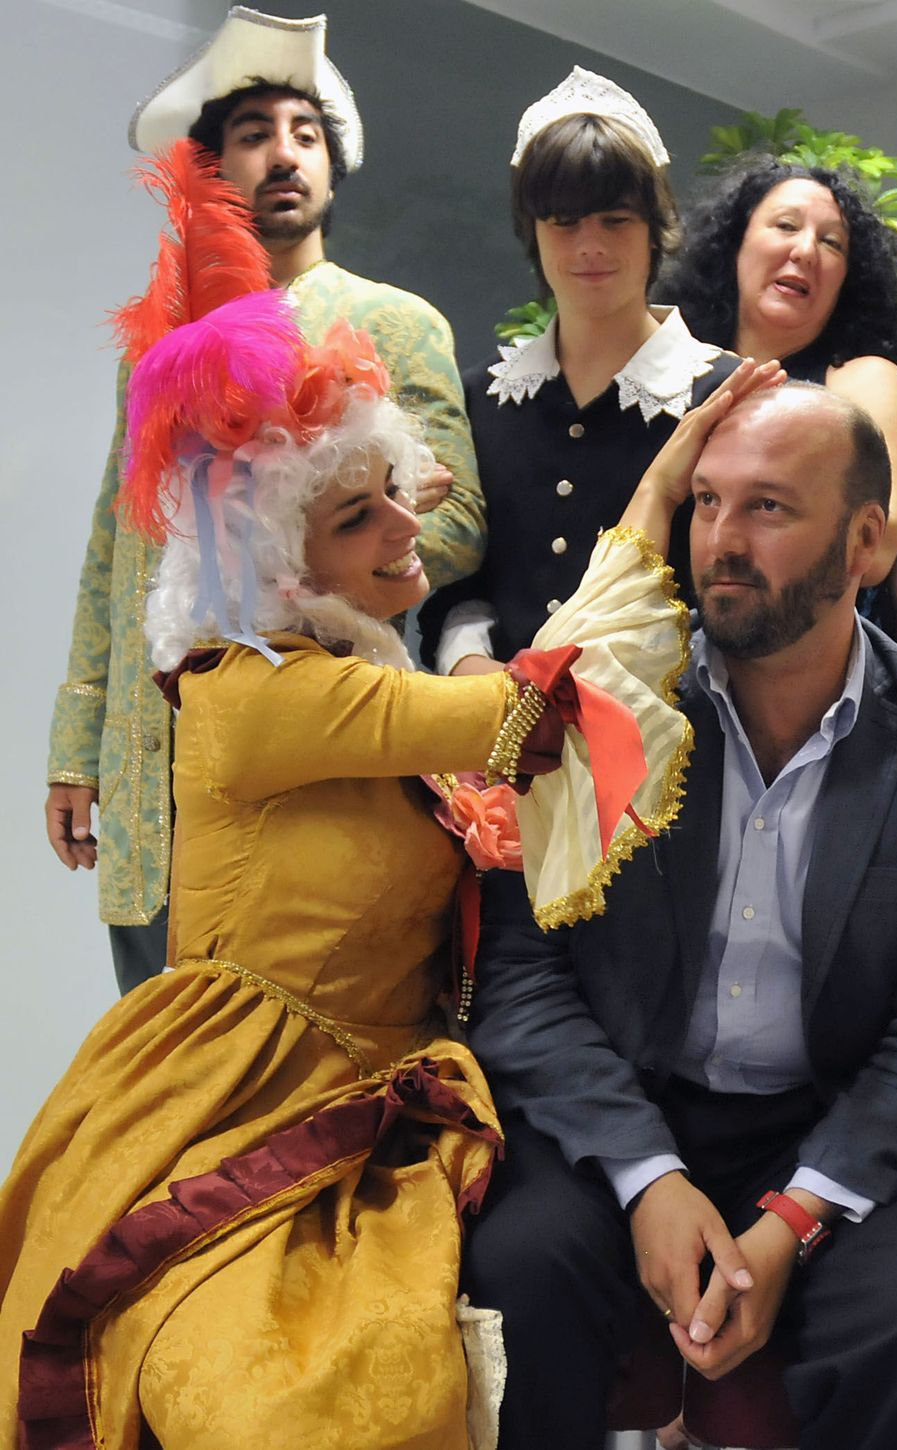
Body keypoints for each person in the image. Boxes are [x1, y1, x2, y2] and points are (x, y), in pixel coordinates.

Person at [0, 179, 735, 1441]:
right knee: (271, 1404)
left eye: (398, 488)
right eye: (362, 514)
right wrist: (661, 489)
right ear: (284, 562)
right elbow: (535, 705)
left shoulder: (355, 668)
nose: (411, 525)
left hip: (380, 1097)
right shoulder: (256, 694)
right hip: (231, 1103)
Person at [461, 382, 897, 1449]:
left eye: (768, 507)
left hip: (824, 1122)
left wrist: (796, 1217)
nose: (721, 540)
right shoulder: (606, 709)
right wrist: (646, 1176)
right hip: (621, 1102)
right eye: (707, 501)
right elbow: (519, 970)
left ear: (865, 540)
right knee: (519, 1266)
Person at [45, 6, 483, 996]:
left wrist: (334, 535)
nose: (284, 155)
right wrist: (77, 752)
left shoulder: (395, 324)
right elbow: (117, 551)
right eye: (254, 136)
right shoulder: (155, 352)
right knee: (164, 1060)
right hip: (153, 764)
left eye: (305, 133)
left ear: (330, 165)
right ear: (211, 169)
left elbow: (454, 524)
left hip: (315, 743)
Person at [422, 66, 738, 678]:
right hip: (490, 742)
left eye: (616, 220)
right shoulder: (480, 394)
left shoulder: (722, 393)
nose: (589, 244)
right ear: (532, 233)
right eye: (564, 222)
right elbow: (460, 574)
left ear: (655, 230)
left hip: (668, 740)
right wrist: (467, 664)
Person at [662, 156, 897, 587]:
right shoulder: (666, 371)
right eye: (786, 226)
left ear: (848, 278)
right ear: (736, 244)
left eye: (831, 243)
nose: (805, 250)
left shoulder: (863, 381)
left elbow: (874, 551)